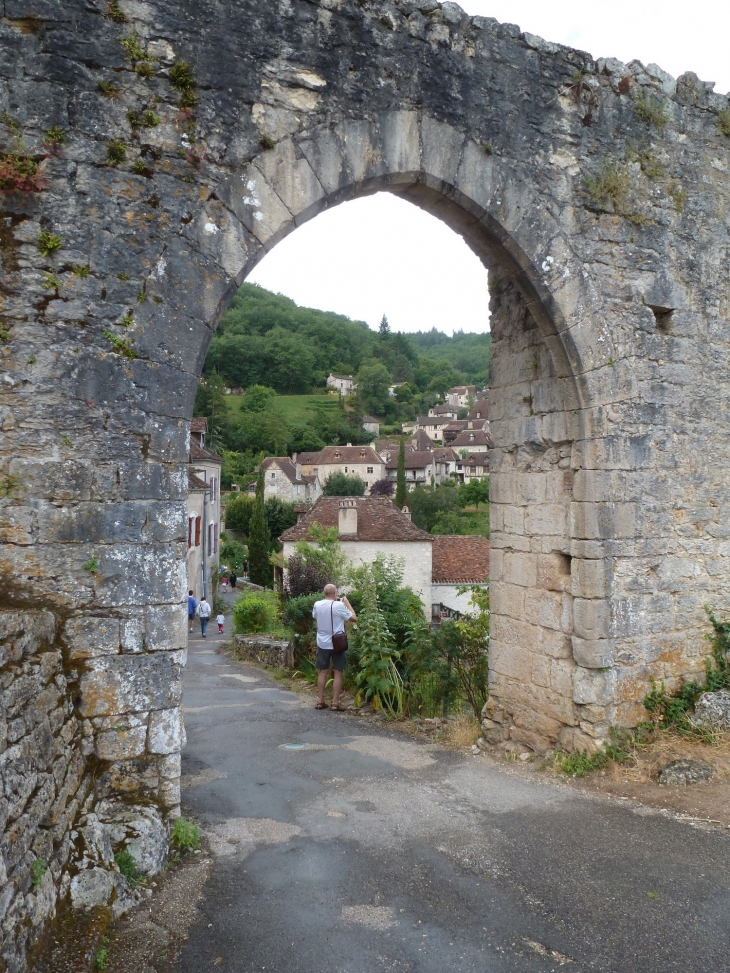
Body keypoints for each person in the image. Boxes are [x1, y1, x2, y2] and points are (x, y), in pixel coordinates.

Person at [311, 583, 356, 711]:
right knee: (338, 672)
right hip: (338, 643)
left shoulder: (317, 604)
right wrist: (346, 603)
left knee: (323, 671)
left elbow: (314, 616)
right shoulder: (339, 605)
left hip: (322, 643)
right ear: (335, 593)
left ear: (325, 593)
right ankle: (335, 703)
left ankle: (320, 701)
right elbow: (354, 618)